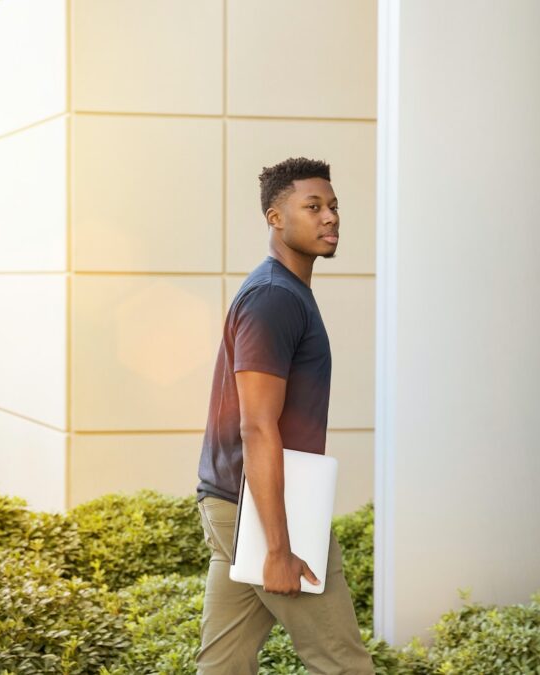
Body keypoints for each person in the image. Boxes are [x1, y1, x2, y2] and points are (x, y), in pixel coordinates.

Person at [194, 157, 375, 674]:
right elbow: (257, 425)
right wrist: (279, 546)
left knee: (223, 664)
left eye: (334, 206)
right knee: (342, 663)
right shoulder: (274, 297)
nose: (330, 218)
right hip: (266, 507)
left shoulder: (286, 292)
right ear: (275, 217)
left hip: (239, 501)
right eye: (312, 206)